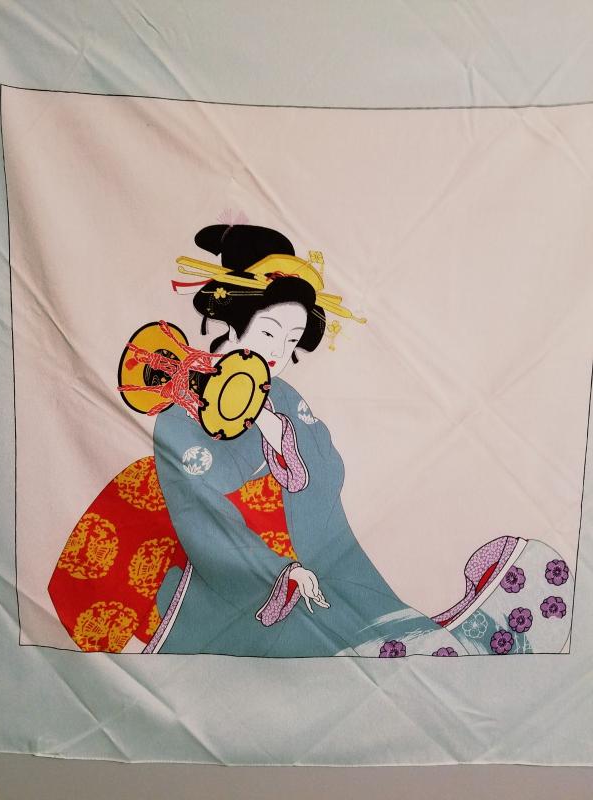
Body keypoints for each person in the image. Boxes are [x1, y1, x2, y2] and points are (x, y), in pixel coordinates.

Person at [49, 223, 573, 657]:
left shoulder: (283, 394)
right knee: (317, 633)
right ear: (232, 322)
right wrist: (280, 571)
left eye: (292, 340)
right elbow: (201, 512)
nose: (279, 351)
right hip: (245, 566)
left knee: (366, 612)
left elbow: (328, 472)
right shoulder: (180, 412)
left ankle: (408, 638)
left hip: (316, 540)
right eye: (269, 333)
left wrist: (281, 439)